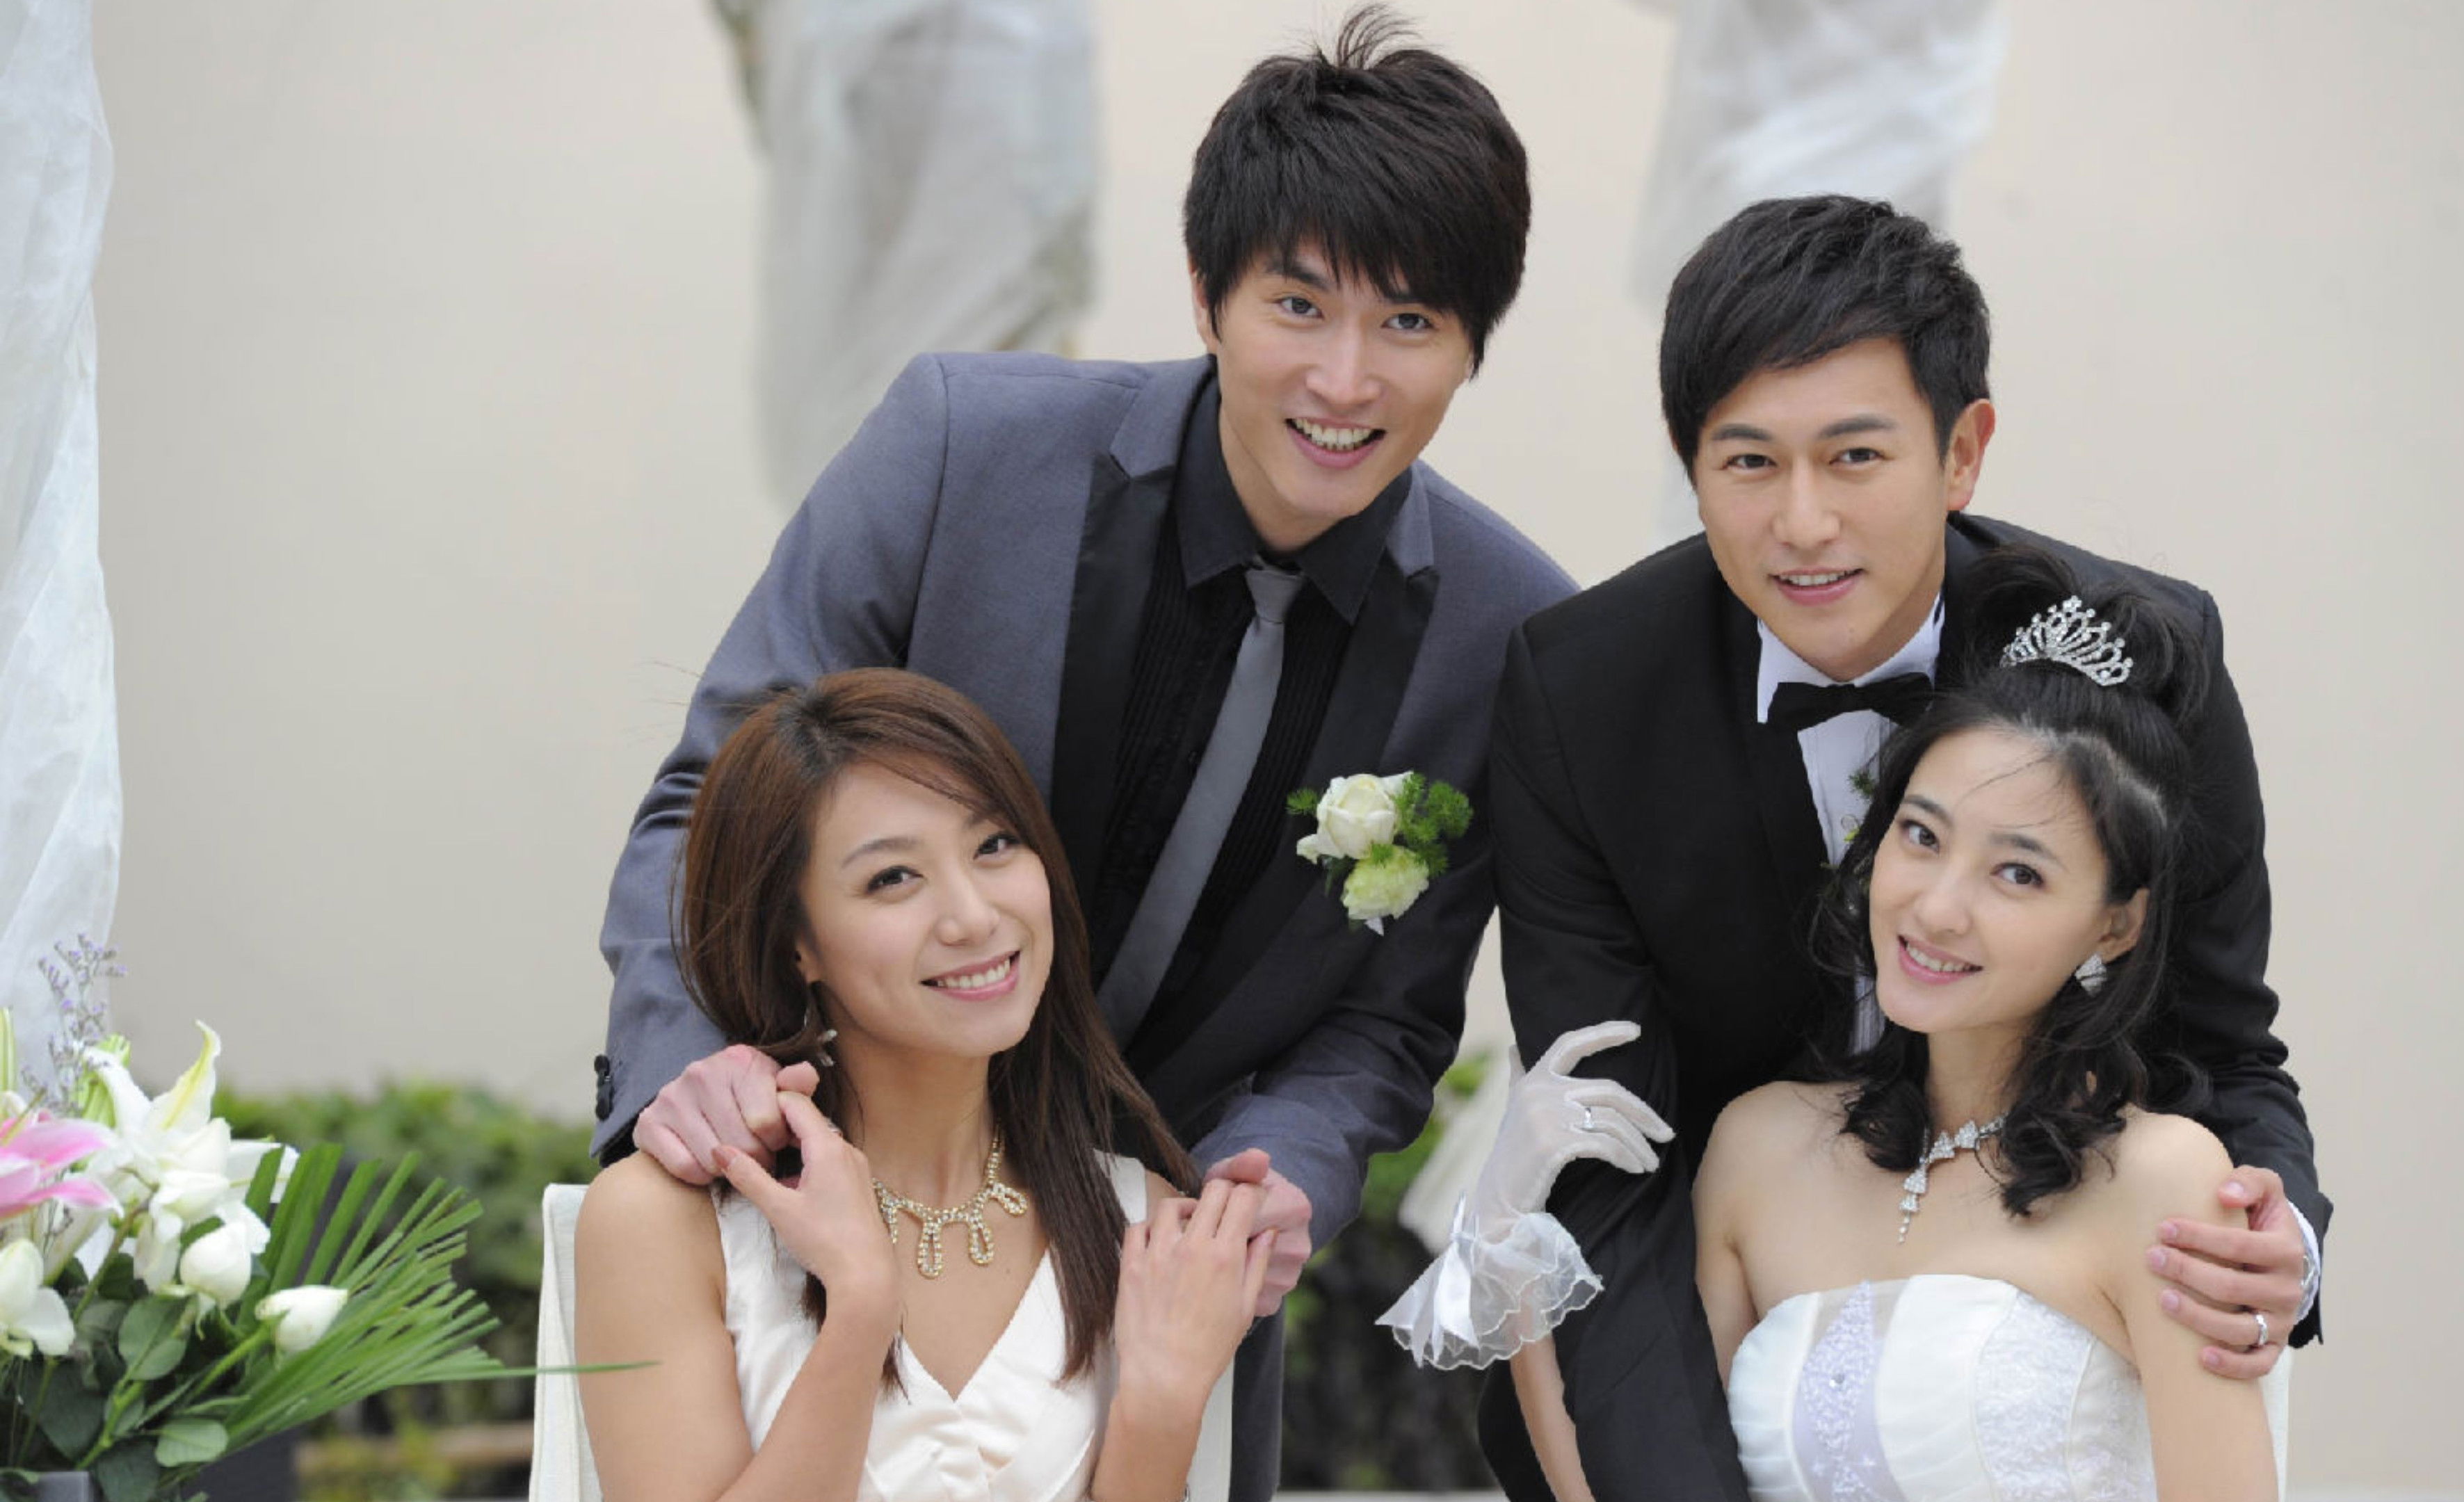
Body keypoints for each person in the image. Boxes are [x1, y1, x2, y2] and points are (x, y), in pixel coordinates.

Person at [591, 10, 1568, 1496]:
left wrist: (1280, 1174)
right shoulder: (957, 448)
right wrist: (689, 1070)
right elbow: (712, 798)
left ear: (1474, 345)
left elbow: (1389, 1019)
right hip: (837, 1204)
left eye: (1411, 325)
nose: (1345, 379)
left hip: (1163, 1294)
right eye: (1298, 306)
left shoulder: (1508, 642)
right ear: (1205, 292)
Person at [1477, 195, 2330, 1499]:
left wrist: (2281, 1251)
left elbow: (2224, 1039)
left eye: (1856, 457)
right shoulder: (1580, 695)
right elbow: (1617, 1155)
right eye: (1748, 461)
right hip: (1699, 1360)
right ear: (1689, 460)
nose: (1803, 523)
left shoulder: (2139, 660)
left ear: (1963, 450)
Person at [1394, 555, 2285, 1499]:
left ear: (2116, 924)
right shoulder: (1763, 1147)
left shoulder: (2160, 1179)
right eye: (1922, 836)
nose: (1936, 909)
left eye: (2017, 873)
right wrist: (1514, 1236)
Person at [574, 669, 1265, 1502]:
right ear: (796, 943)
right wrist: (862, 1309)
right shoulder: (663, 1223)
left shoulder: (1140, 1224)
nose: (973, 916)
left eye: (995, 845)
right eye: (893, 878)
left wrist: (1160, 1412)